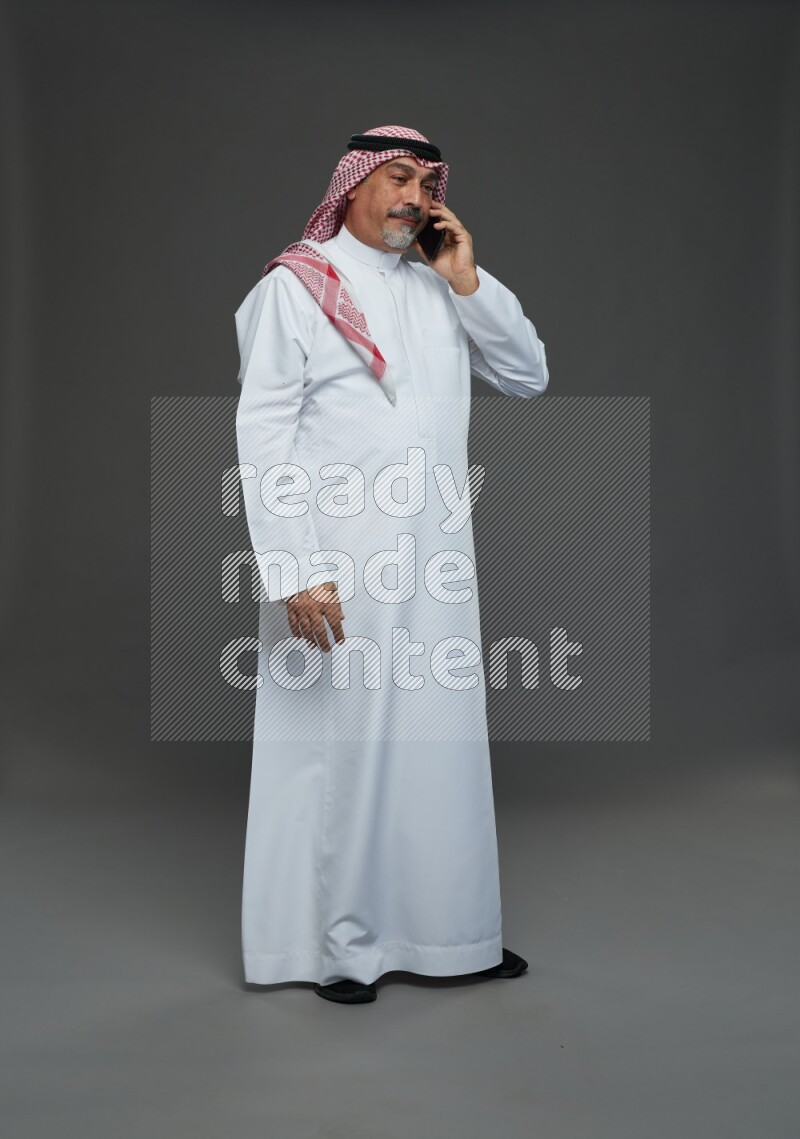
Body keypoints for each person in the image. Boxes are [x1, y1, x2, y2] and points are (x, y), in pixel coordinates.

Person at [234, 125, 549, 1004]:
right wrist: (293, 570)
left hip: (437, 557)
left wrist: (467, 279)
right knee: (346, 751)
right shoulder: (297, 288)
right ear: (355, 184)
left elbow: (527, 375)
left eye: (425, 183)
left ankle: (456, 937)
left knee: (439, 743)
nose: (413, 198)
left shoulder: (439, 286)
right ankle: (341, 949)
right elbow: (263, 437)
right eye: (397, 178)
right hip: (340, 563)